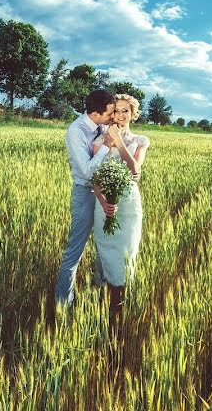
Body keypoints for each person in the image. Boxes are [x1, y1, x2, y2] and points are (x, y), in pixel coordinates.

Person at [90, 93, 150, 333]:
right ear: (111, 113)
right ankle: (103, 307)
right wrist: (103, 200)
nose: (121, 115)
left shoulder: (141, 140)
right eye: (117, 110)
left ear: (133, 114)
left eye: (126, 111)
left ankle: (120, 312)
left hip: (129, 206)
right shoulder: (98, 141)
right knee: (106, 252)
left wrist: (120, 142)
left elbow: (134, 170)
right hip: (104, 205)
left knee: (126, 254)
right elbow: (93, 174)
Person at [54, 89, 117, 307]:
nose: (113, 117)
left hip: (104, 193)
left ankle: (100, 297)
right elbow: (88, 172)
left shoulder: (102, 126)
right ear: (95, 113)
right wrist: (107, 145)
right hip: (85, 193)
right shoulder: (76, 131)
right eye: (110, 113)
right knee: (75, 252)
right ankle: (64, 304)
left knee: (104, 249)